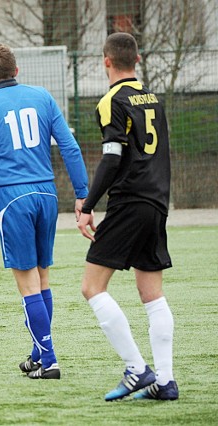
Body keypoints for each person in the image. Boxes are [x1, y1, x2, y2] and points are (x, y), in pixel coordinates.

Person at [0, 44, 89, 380]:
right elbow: (70, 147)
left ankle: (50, 359)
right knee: (43, 278)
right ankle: (37, 353)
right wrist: (82, 194)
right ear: (17, 71)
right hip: (47, 193)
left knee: (28, 284)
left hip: (11, 198)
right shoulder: (42, 96)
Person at [77, 32, 177, 401]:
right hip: (156, 202)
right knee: (152, 294)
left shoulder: (112, 100)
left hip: (130, 200)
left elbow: (113, 157)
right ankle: (164, 381)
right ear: (137, 59)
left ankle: (137, 369)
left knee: (92, 287)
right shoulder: (155, 99)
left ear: (107, 61)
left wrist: (88, 206)